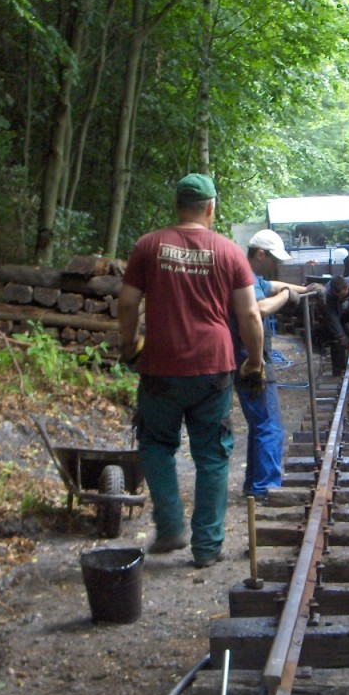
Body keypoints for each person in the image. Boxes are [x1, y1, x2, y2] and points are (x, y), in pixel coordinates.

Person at [118, 173, 264, 568]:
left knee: (154, 445)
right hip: (214, 367)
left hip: (160, 366)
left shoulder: (148, 246)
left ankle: (169, 526)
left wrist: (128, 344)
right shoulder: (229, 251)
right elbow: (249, 312)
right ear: (211, 208)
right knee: (212, 456)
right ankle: (207, 547)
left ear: (177, 205)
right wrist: (255, 361)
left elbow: (129, 303)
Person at [233, 229, 321, 500]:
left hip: (247, 354)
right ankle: (267, 489)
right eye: (274, 259)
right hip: (251, 357)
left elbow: (271, 286)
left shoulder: (251, 277)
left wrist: (306, 290)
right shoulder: (244, 277)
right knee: (270, 425)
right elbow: (259, 308)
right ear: (260, 254)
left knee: (260, 423)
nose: (277, 265)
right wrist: (286, 297)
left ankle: (254, 485)